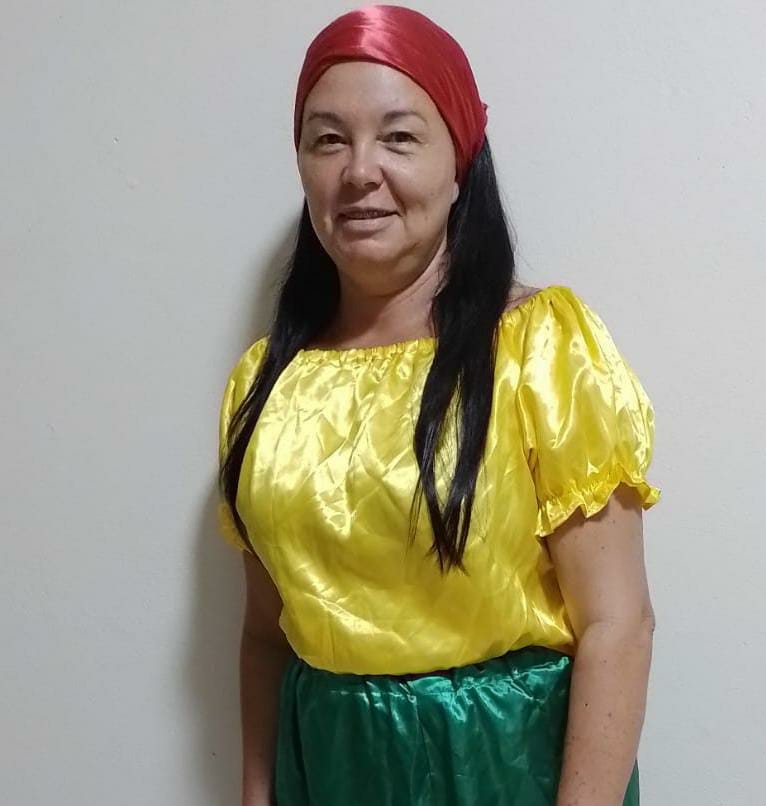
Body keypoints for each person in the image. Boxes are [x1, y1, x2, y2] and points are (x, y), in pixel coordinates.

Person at [217, 5, 662, 805]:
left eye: (398, 137)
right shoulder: (265, 384)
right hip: (330, 770)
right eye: (328, 139)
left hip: (503, 771)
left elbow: (617, 626)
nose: (359, 171)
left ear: (459, 162)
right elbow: (263, 636)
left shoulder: (539, 349)